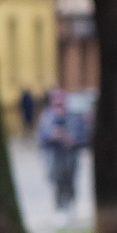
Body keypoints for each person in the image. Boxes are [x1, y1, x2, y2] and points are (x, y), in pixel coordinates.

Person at [37, 87, 88, 223]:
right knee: (58, 182)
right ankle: (60, 209)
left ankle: (71, 206)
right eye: (56, 103)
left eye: (61, 102)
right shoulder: (47, 117)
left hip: (71, 156)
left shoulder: (74, 117)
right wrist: (52, 136)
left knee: (70, 182)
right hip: (54, 157)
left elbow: (83, 137)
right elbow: (41, 138)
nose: (59, 106)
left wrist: (73, 140)